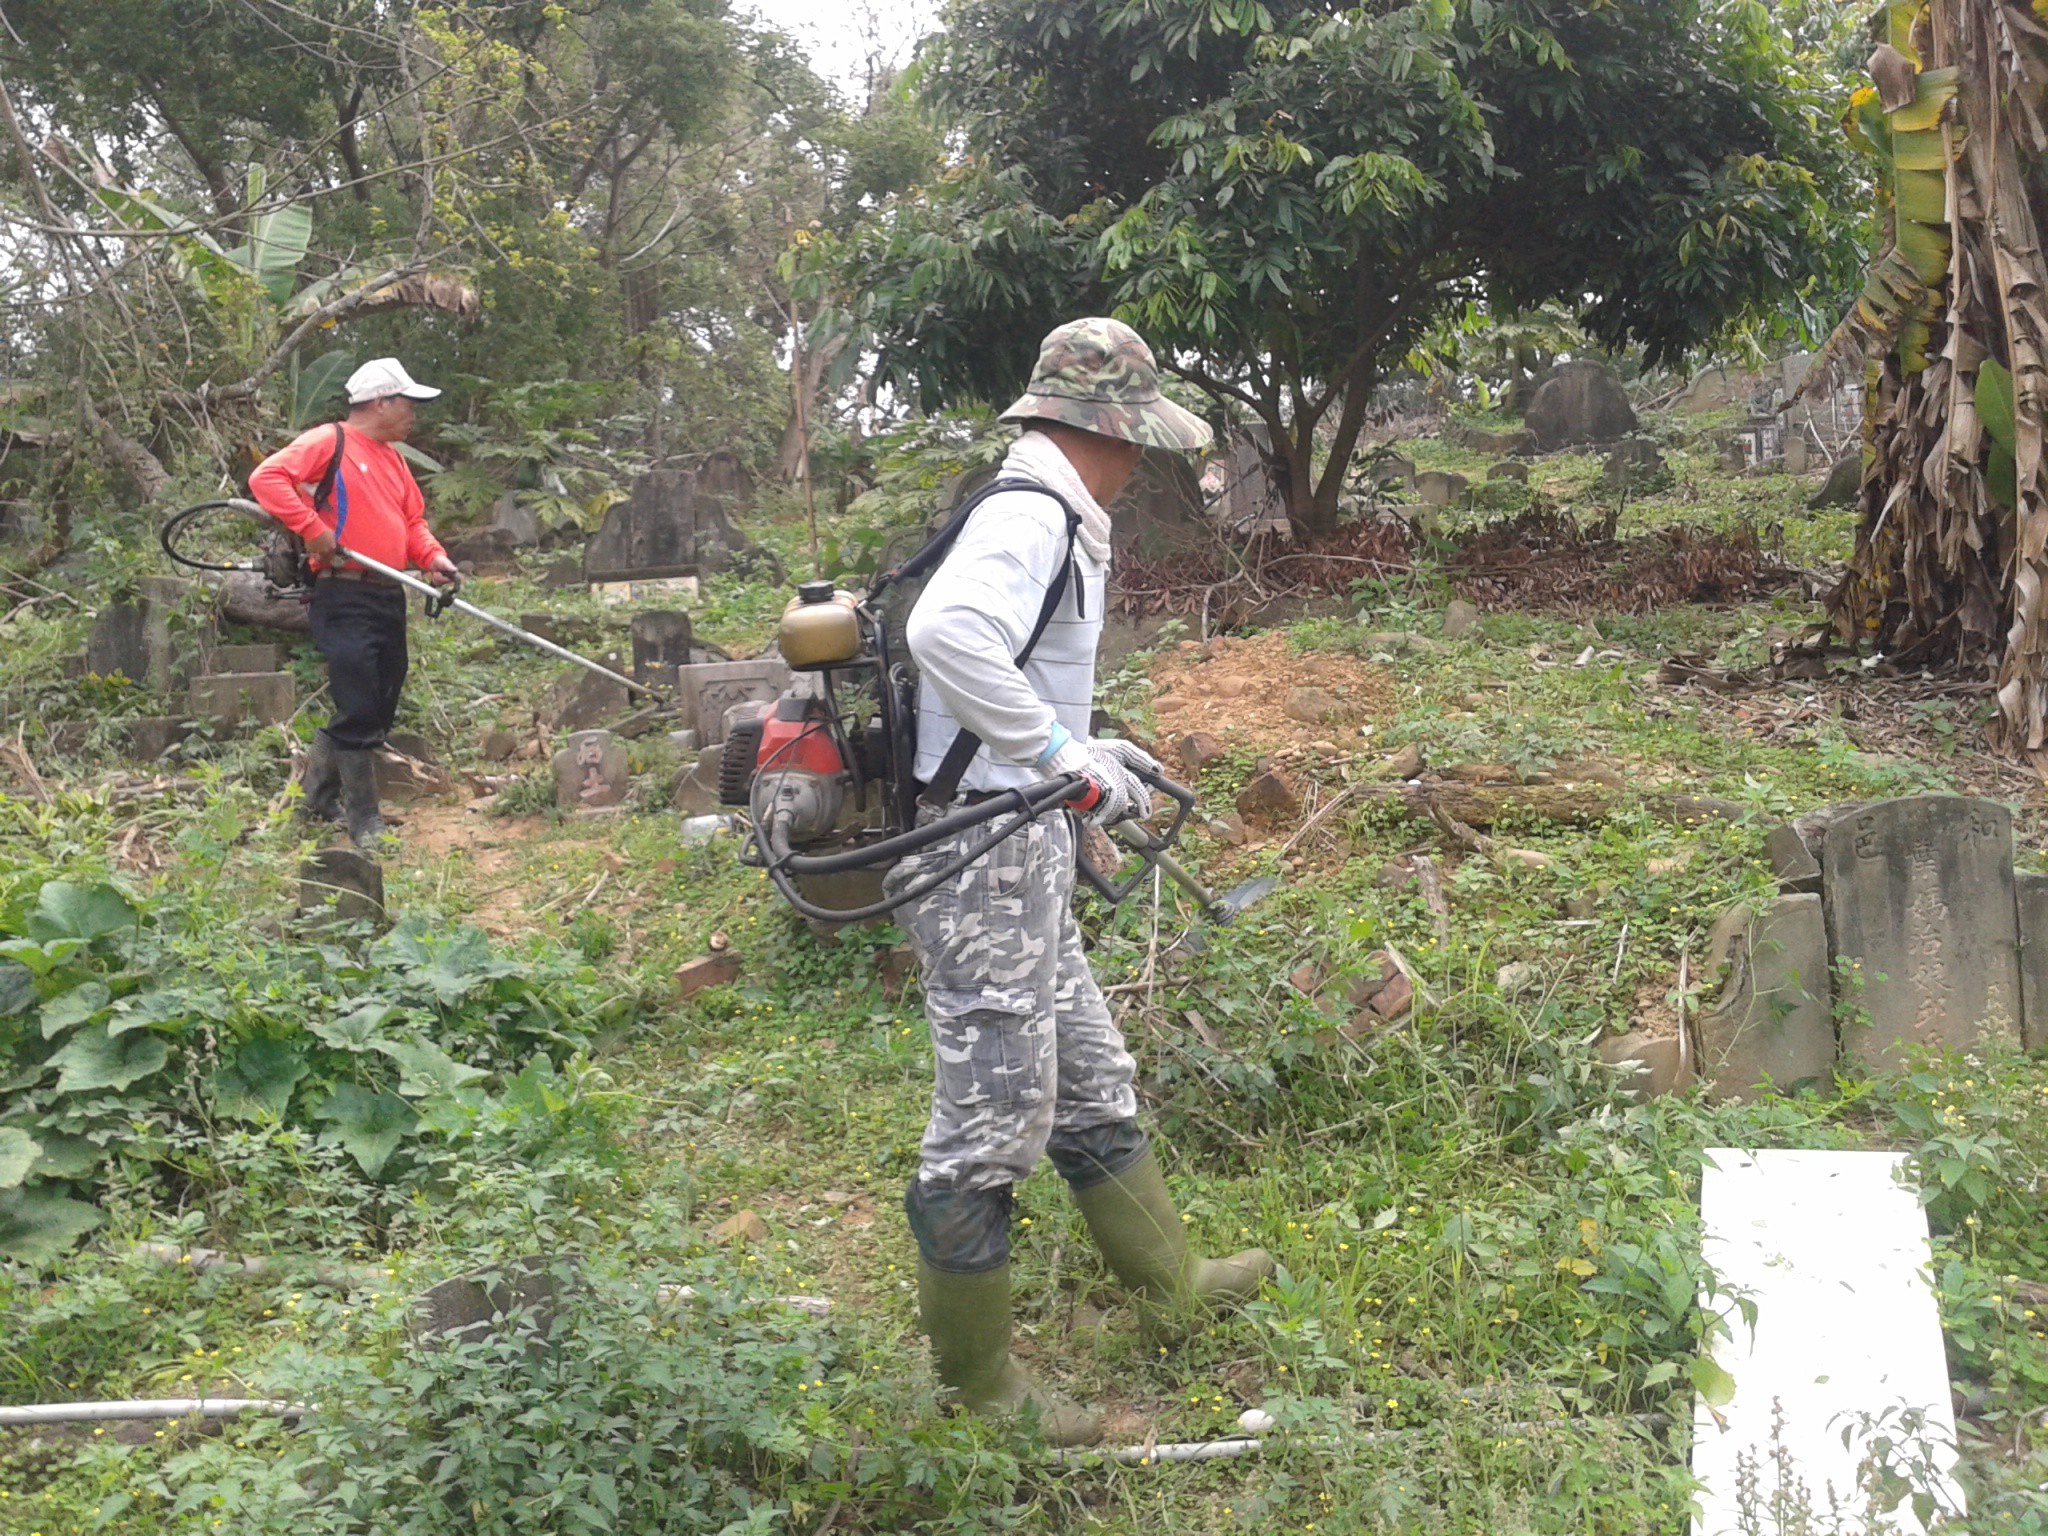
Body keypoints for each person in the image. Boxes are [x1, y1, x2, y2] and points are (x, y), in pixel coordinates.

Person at [885, 318, 1273, 1448]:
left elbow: (1013, 676)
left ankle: (1171, 1280)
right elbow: (948, 635)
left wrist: (1090, 746)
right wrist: (1060, 760)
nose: (1139, 459)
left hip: (1019, 838)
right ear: (1101, 427)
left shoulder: (1049, 511)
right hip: (977, 849)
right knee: (990, 1110)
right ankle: (981, 1398)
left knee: (1089, 1067)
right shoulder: (1030, 514)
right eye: (1135, 437)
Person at [248, 357, 460, 851]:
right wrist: (314, 530)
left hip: (388, 593)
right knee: (360, 699)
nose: (414, 415)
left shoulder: (394, 459)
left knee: (379, 701)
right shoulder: (330, 441)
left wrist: (434, 557)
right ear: (382, 402)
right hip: (343, 591)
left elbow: (413, 522)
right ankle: (364, 818)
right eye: (409, 404)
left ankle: (318, 797)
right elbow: (268, 479)